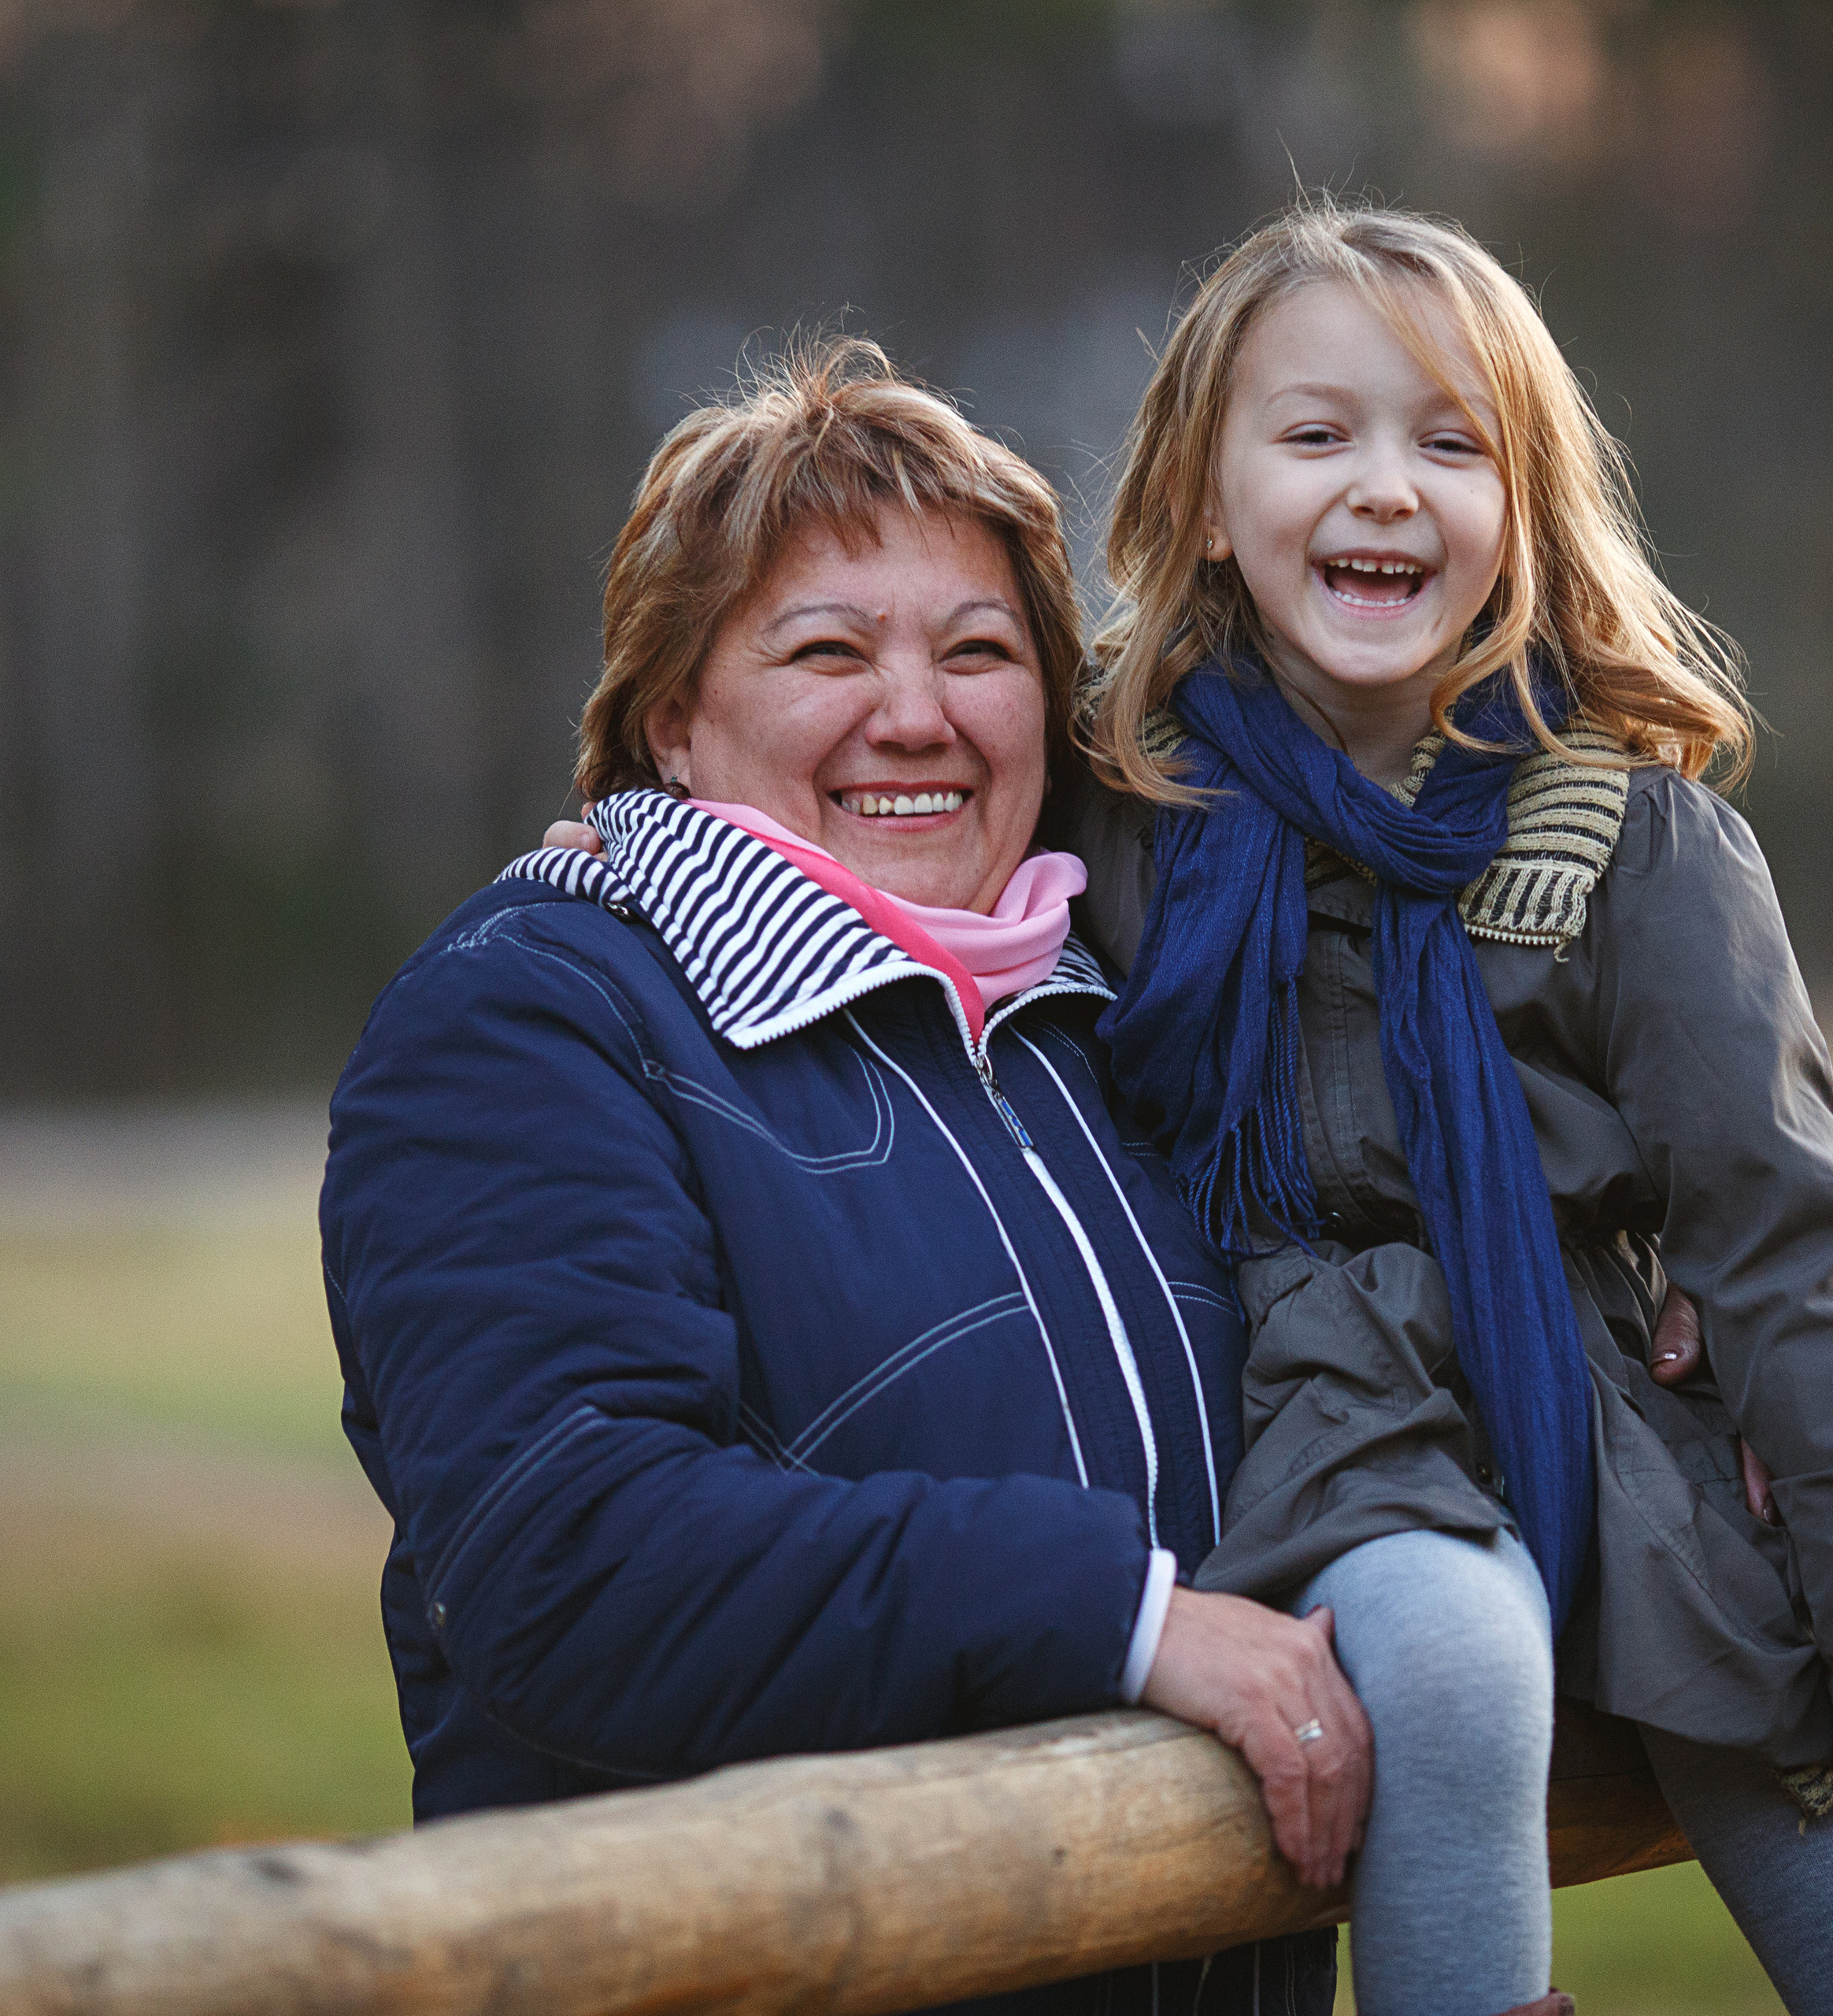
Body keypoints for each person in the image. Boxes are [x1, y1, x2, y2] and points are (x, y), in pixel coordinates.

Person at [320, 339, 1366, 2016]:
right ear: (671, 718)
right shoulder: (529, 1017)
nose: (917, 713)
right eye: (826, 649)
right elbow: (573, 1562)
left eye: (979, 650)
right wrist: (1122, 1614)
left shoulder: (1124, 1019)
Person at [1061, 197, 1833, 2016]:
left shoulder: (1625, 840)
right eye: (1316, 434)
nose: (1383, 488)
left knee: (1829, 1764)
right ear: (1204, 498)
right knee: (1453, 1661)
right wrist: (637, 829)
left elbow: (1784, 1227)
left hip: (1612, 1425)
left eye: (1449, 443)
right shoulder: (1118, 809)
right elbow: (866, 819)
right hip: (1313, 1417)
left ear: (1519, 505)